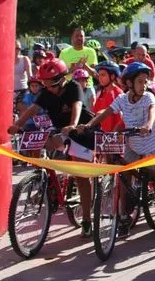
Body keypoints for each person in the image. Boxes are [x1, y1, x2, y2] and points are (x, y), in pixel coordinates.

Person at [77, 62, 155, 238]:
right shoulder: (122, 99)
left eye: (145, 82)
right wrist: (88, 125)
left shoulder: (148, 97)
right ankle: (123, 217)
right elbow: (106, 113)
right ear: (129, 83)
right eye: (140, 82)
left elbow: (152, 112)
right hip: (131, 144)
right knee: (123, 177)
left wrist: (148, 125)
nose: (144, 85)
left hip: (149, 144)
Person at [8, 59, 97, 238]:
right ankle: (48, 184)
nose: (48, 88)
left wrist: (72, 125)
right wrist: (17, 124)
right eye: (45, 84)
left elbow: (77, 106)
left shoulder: (73, 87)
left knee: (81, 174)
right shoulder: (46, 92)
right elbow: (33, 109)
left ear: (62, 79)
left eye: (52, 84)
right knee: (45, 146)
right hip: (60, 131)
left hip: (82, 131)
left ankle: (87, 219)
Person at [92, 61, 124, 132]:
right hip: (102, 133)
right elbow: (95, 112)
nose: (100, 78)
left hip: (115, 135)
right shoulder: (100, 93)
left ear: (112, 76)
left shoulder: (119, 93)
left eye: (103, 75)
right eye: (99, 75)